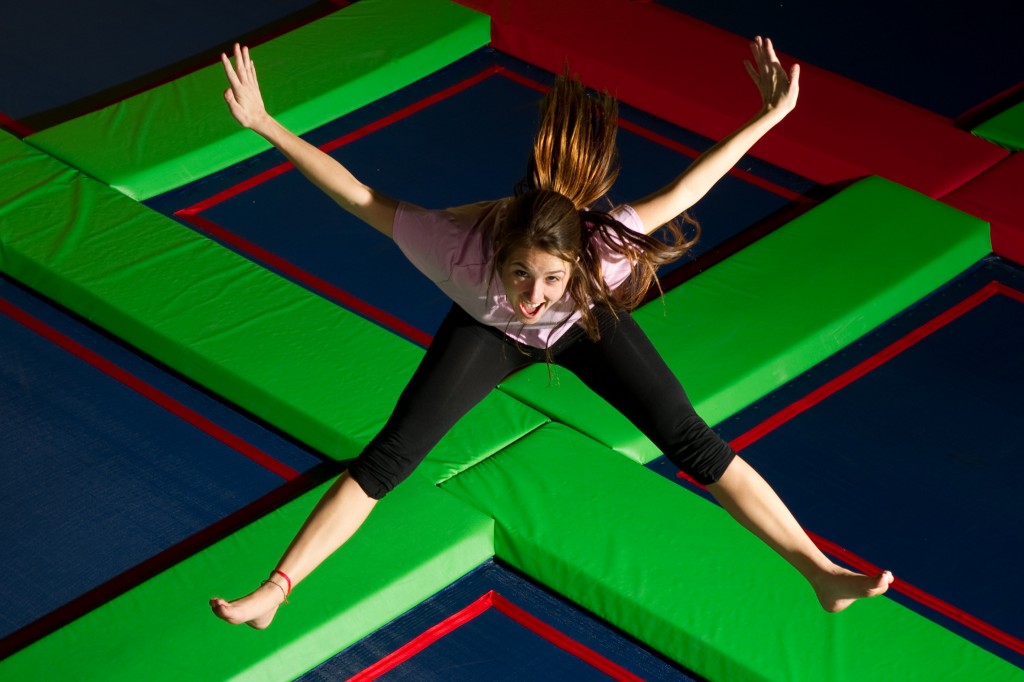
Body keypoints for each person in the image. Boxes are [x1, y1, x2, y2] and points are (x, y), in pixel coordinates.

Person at [210, 38, 893, 630]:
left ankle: (819, 573)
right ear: (497, 256)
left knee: (691, 438)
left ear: (575, 265)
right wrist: (268, 124)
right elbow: (358, 195)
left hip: (586, 323)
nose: (534, 298)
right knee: (391, 455)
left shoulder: (601, 251)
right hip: (485, 329)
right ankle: (277, 590)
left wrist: (769, 116)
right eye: (521, 276)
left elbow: (689, 190)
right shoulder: (454, 249)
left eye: (549, 281)